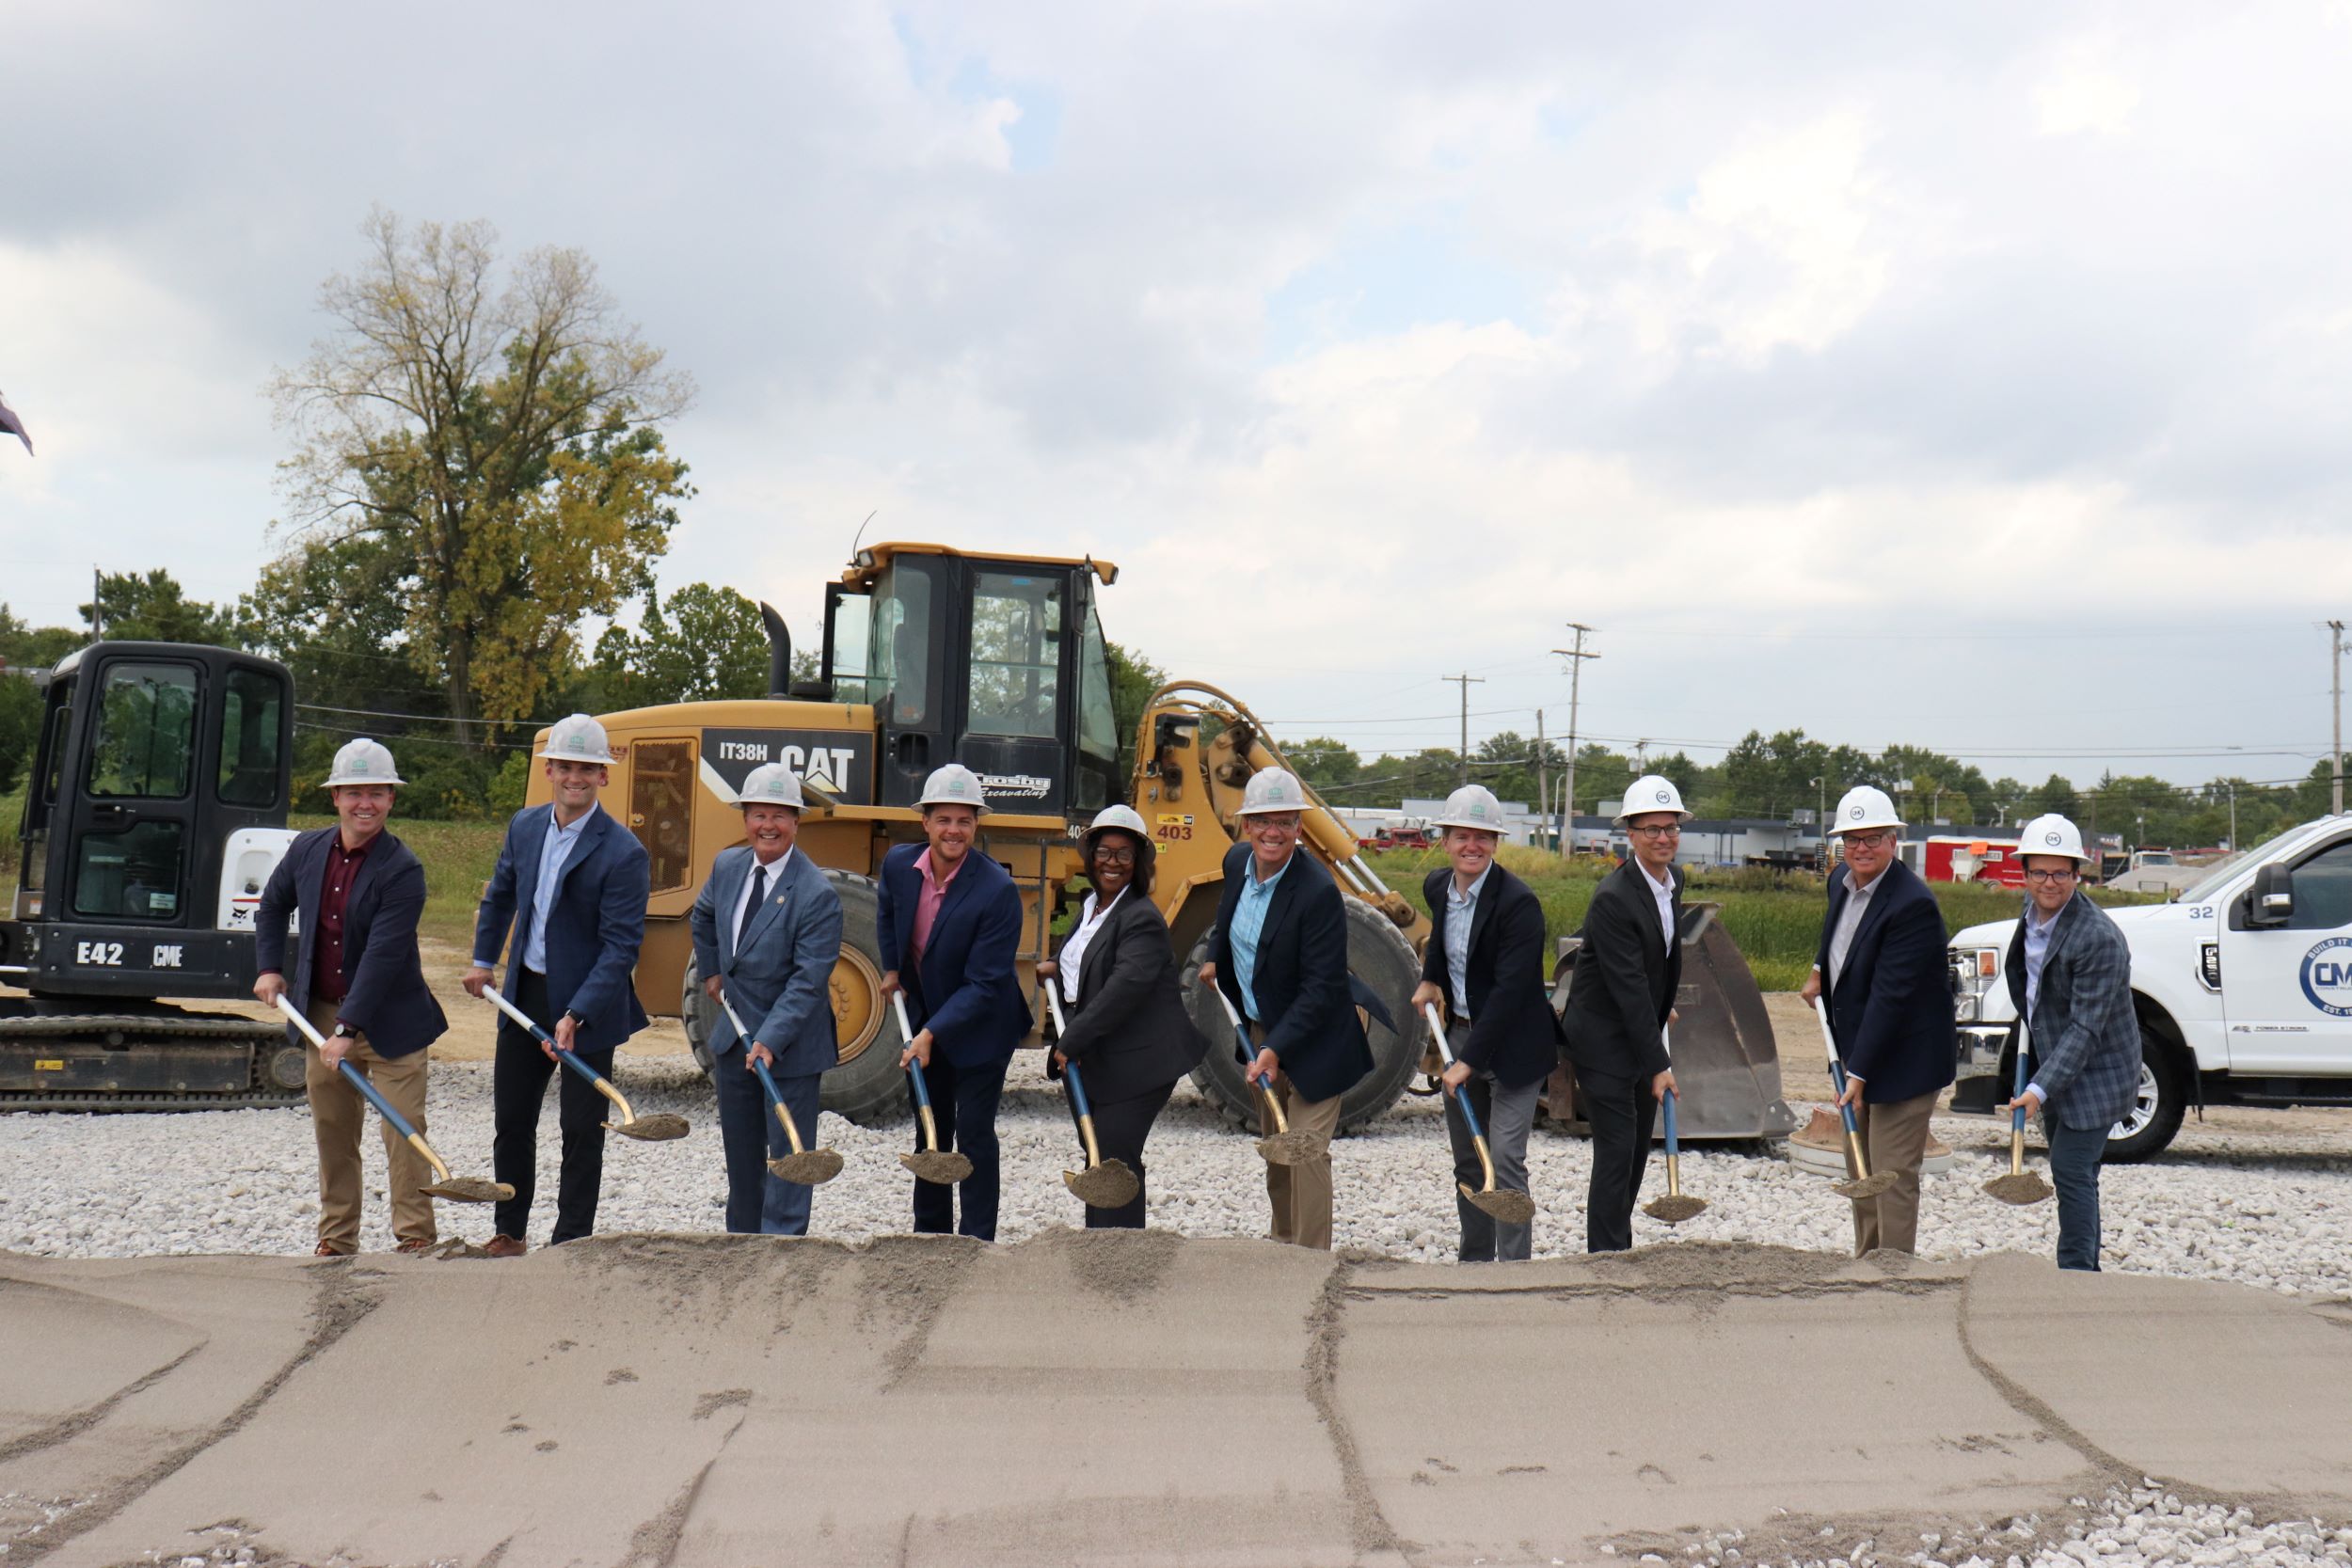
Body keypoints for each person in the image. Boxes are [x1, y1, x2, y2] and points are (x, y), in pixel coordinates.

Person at [463, 713, 651, 1257]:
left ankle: (571, 1240)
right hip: (526, 994)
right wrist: (482, 960)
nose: (575, 777)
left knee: (581, 1128)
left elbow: (620, 948)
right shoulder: (525, 827)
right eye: (566, 766)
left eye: (586, 769)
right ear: (550, 770)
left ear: (604, 776)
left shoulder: (623, 852)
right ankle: (510, 1230)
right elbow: (500, 896)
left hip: (587, 1005)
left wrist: (577, 1015)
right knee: (512, 1121)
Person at [253, 738, 448, 1257]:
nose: (366, 803)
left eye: (378, 793)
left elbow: (384, 956)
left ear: (391, 800)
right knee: (334, 1128)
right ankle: (337, 1238)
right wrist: (270, 968)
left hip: (392, 1022)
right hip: (322, 1012)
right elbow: (271, 906)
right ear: (336, 796)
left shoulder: (402, 869)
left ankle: (415, 1236)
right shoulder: (307, 850)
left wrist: (347, 1031)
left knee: (402, 1129)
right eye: (355, 792)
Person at [1202, 767, 1374, 1251]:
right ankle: (1282, 1246)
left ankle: (1311, 1260)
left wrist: (1275, 1049)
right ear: (1246, 826)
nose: (1273, 832)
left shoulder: (1317, 892)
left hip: (1319, 1036)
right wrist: (1214, 955)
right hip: (1261, 1029)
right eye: (1263, 821)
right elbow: (1225, 914)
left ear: (1299, 828)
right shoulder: (1237, 862)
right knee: (1277, 1149)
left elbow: (1321, 989)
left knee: (1305, 1151)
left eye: (1285, 822)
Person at [689, 762, 843, 1235]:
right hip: (734, 1041)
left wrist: (771, 1040)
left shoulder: (817, 894)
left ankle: (783, 1257)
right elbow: (702, 916)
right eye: (758, 814)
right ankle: (742, 1248)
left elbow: (807, 981)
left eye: (780, 815)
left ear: (797, 821)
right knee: (742, 1160)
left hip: (790, 1049)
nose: (768, 826)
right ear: (746, 819)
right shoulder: (728, 865)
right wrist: (712, 969)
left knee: (790, 1161)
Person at [1410, 784, 1562, 1261]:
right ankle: (1473, 1261)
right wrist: (1430, 977)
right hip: (1458, 1031)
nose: (1471, 846)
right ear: (1446, 840)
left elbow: (1511, 993)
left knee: (1505, 1159)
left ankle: (1514, 1268)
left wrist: (1467, 1062)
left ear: (1496, 843)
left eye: (1482, 836)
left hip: (1514, 1044)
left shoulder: (1519, 905)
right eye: (1461, 835)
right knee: (1468, 1160)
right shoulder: (1439, 886)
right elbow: (1440, 937)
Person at [1803, 784, 1956, 1256]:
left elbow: (1892, 997)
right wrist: (1817, 972)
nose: (1861, 849)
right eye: (1852, 839)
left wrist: (1858, 1073)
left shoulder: (1912, 905)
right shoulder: (1841, 882)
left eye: (1873, 839)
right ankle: (1867, 1264)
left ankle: (1894, 1276)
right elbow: (1840, 941)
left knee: (1890, 1175)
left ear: (1894, 841)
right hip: (1861, 1052)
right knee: (1860, 1169)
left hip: (1905, 1060)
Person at [1038, 804, 1207, 1229]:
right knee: (1097, 1153)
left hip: (1141, 1060)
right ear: (1091, 855)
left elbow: (1123, 989)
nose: (1112, 863)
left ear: (1138, 862)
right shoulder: (1094, 905)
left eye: (1124, 854)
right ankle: (1102, 1246)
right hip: (1104, 1053)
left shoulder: (1142, 918)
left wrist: (1070, 1042)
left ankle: (1122, 1257)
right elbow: (1088, 953)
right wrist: (1057, 963)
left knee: (1114, 1154)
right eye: (1104, 852)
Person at [879, 764, 1029, 1240]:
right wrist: (892, 968)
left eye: (964, 821)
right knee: (930, 1129)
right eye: (944, 819)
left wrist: (928, 1034)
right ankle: (931, 1234)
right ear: (924, 822)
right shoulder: (899, 866)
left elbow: (985, 984)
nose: (953, 830)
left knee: (975, 1134)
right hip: (929, 1016)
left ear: (976, 825)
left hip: (983, 1026)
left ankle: (977, 1239)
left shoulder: (997, 891)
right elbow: (888, 912)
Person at [2002, 814, 2139, 1271]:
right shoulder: (2032, 913)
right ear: (2024, 874)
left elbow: (2086, 1029)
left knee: (2071, 1169)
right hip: (2060, 1059)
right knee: (2079, 1174)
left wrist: (2037, 1091)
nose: (2050, 882)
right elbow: (2029, 985)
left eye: (2061, 873)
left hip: (2099, 1073)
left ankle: (2076, 1274)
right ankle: (2088, 1269)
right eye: (2039, 871)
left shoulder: (2098, 939)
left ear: (2078, 875)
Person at [1563, 775, 1688, 1252]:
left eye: (1670, 827)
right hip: (1602, 1041)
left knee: (1635, 1152)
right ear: (1631, 835)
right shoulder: (1614, 898)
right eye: (1651, 829)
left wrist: (1664, 1005)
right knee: (1617, 1151)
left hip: (1637, 1028)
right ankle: (1607, 1259)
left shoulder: (1672, 884)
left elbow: (1656, 959)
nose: (1662, 838)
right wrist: (1660, 1066)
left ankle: (1619, 1244)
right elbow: (1627, 986)